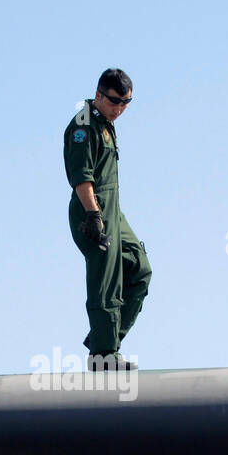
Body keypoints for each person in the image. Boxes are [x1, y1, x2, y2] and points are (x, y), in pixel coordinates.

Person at [63, 68, 151, 371]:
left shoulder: (106, 123)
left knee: (139, 270)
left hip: (114, 210)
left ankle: (104, 339)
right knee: (106, 281)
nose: (120, 109)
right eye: (115, 101)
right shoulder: (82, 127)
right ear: (99, 94)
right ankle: (103, 355)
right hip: (93, 211)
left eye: (126, 103)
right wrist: (94, 217)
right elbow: (82, 178)